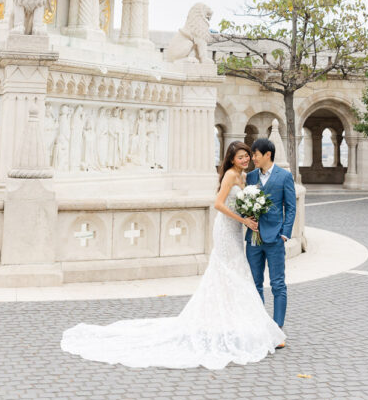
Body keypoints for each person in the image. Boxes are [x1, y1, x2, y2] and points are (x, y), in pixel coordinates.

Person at [61, 141, 284, 369]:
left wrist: (248, 215)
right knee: (232, 272)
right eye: (240, 157)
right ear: (231, 159)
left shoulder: (244, 177)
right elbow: (217, 204)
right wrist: (243, 220)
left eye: (247, 156)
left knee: (235, 273)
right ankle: (233, 323)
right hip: (227, 230)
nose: (245, 160)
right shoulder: (229, 175)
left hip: (236, 231)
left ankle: (231, 322)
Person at [245, 137, 296, 347]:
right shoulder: (249, 177)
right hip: (253, 239)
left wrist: (285, 234)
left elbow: (290, 207)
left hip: (275, 238)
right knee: (255, 284)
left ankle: (277, 330)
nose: (253, 158)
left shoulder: (284, 176)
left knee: (278, 284)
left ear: (268, 154)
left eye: (256, 154)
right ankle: (260, 327)